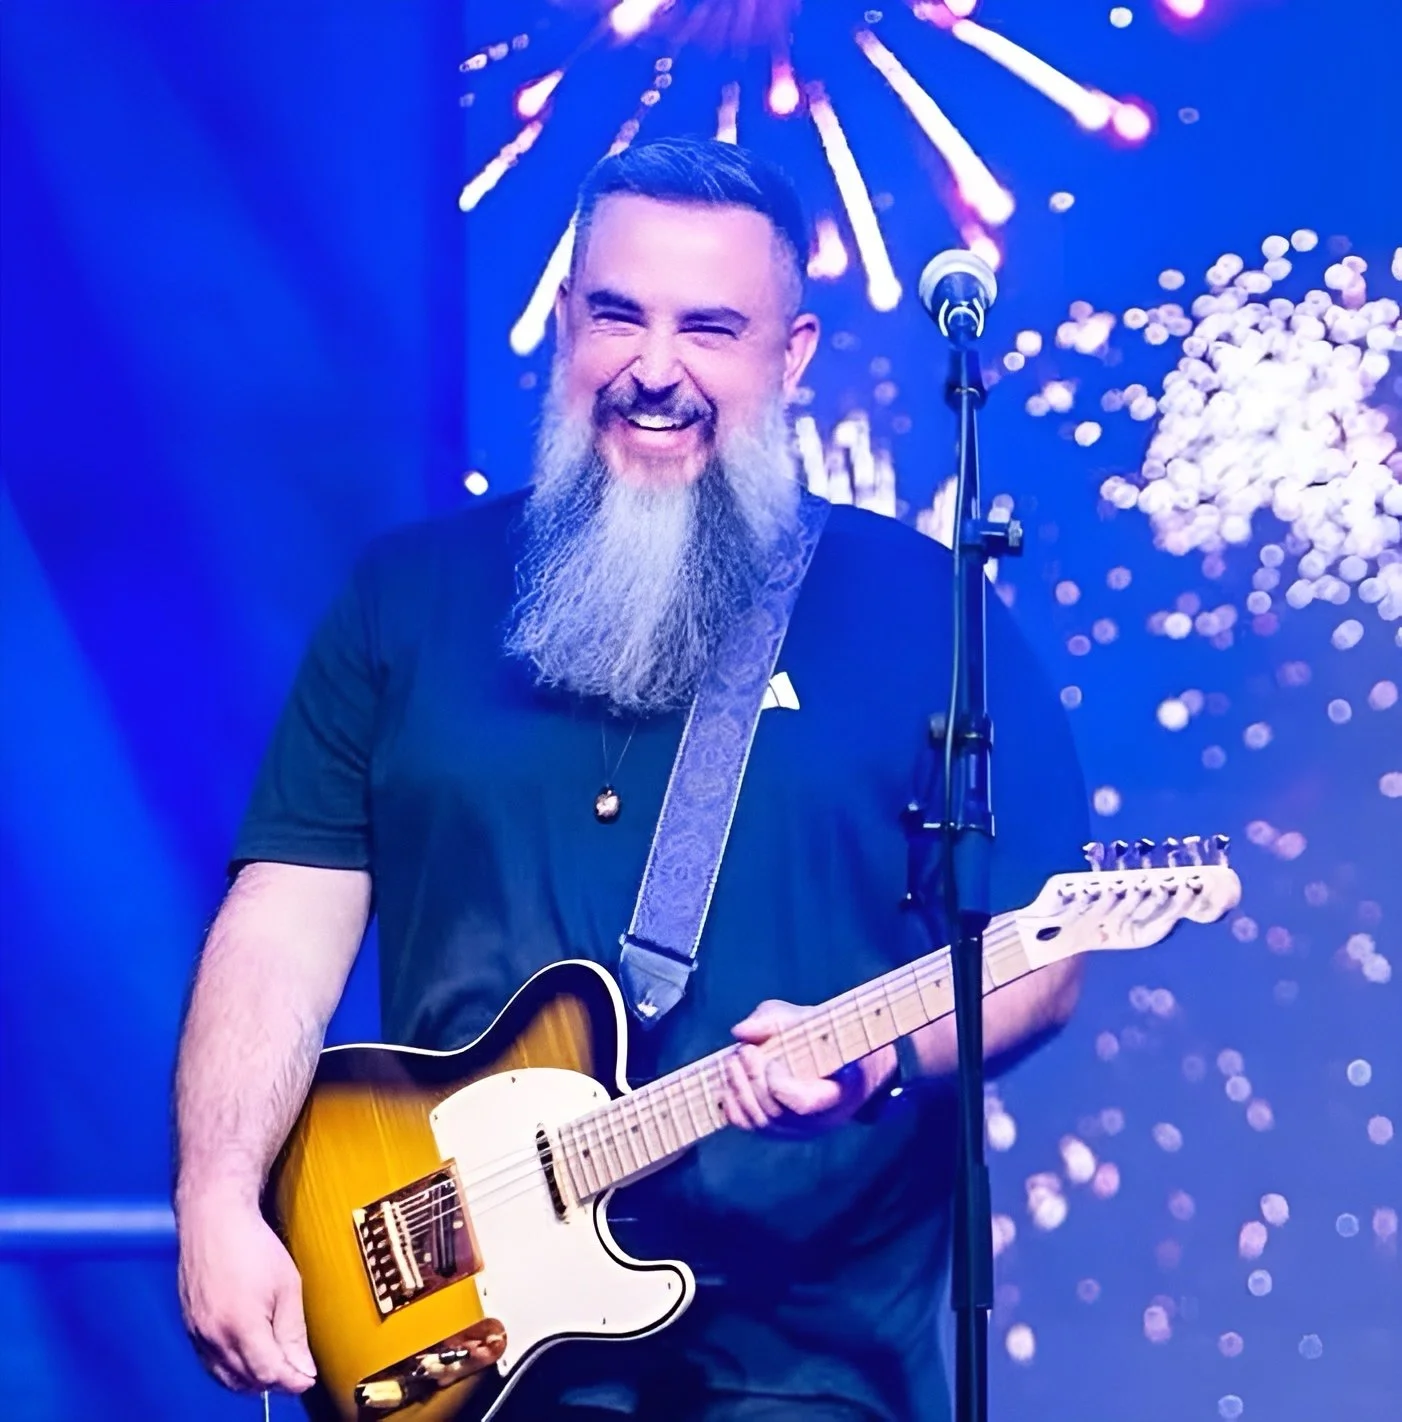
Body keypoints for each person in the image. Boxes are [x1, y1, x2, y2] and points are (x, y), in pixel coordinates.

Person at [174, 136, 1088, 1421]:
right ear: (564, 322)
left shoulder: (926, 618)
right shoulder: (408, 597)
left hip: (806, 1371)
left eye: (710, 327)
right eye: (619, 315)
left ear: (794, 352)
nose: (655, 369)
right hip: (451, 1344)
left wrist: (878, 1065)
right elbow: (283, 916)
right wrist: (215, 1191)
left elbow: (1034, 958)